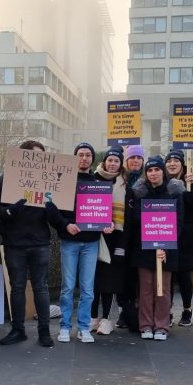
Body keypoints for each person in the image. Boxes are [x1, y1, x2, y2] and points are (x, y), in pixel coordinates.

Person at [46, 142, 110, 344]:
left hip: (91, 242)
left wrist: (106, 223)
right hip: (69, 241)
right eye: (80, 155)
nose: (84, 158)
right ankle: (65, 326)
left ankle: (83, 327)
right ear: (75, 158)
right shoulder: (64, 181)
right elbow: (51, 207)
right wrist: (65, 225)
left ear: (93, 159)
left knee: (88, 289)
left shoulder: (97, 182)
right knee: (66, 288)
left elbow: (101, 211)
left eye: (88, 155)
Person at [0, 139, 54, 348]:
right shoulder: (6, 179)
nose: (38, 160)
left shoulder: (48, 180)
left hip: (40, 242)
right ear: (23, 157)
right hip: (14, 243)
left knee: (41, 288)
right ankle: (17, 330)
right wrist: (11, 210)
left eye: (41, 156)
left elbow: (56, 216)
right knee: (17, 288)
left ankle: (44, 331)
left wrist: (54, 211)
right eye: (34, 155)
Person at [127, 156, 184, 341]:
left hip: (167, 250)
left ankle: (162, 326)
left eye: (156, 170)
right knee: (145, 289)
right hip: (144, 249)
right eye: (150, 170)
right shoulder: (139, 193)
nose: (153, 173)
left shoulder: (175, 192)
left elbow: (179, 222)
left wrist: (165, 246)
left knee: (163, 289)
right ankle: (145, 325)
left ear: (163, 171)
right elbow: (136, 220)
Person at [165, 149, 193, 327]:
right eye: (169, 160)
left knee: (183, 275)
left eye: (176, 160)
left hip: (187, 237)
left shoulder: (191, 182)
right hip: (166, 233)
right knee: (168, 275)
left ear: (183, 164)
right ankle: (167, 310)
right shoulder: (163, 182)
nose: (172, 163)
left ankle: (187, 309)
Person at [91, 146, 127, 335]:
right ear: (104, 161)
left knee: (108, 280)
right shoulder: (93, 179)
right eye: (110, 160)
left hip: (116, 236)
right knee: (93, 279)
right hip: (94, 235)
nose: (112, 164)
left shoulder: (125, 183)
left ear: (121, 164)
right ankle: (92, 317)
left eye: (116, 160)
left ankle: (106, 318)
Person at [117, 143, 146, 330]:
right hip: (122, 236)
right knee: (124, 276)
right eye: (132, 158)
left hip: (144, 236)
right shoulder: (119, 180)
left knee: (141, 277)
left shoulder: (149, 178)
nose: (135, 161)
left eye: (138, 158)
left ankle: (140, 311)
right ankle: (124, 311)